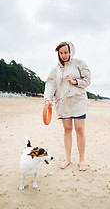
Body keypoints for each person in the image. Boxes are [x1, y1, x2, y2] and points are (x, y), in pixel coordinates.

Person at [44, 41, 91, 171]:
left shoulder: (79, 63)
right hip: (63, 102)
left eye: (66, 52)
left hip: (78, 100)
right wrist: (48, 100)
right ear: (58, 54)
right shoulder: (55, 69)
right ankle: (68, 159)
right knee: (67, 129)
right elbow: (50, 84)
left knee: (80, 129)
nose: (64, 55)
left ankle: (82, 160)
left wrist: (75, 81)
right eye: (61, 53)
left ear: (70, 52)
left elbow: (88, 80)